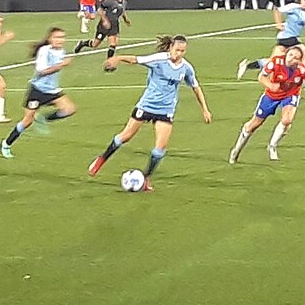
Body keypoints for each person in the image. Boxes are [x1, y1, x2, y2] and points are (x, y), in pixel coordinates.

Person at [88, 35, 212, 191]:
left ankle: (146, 178)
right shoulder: (159, 59)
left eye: (182, 51)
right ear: (170, 48)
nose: (179, 54)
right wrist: (118, 58)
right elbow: (136, 59)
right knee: (124, 137)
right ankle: (101, 160)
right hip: (146, 106)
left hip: (166, 110)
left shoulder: (186, 68)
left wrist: (205, 109)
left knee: (159, 150)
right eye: (177, 50)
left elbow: (196, 87)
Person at [228, 46, 305, 164]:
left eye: (296, 58)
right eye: (290, 55)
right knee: (253, 125)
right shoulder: (276, 62)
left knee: (287, 120)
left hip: (290, 95)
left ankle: (272, 146)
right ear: (286, 54)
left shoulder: (302, 70)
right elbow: (261, 76)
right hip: (271, 96)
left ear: (299, 61)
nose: (291, 59)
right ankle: (236, 151)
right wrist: (270, 86)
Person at [0, 27, 76, 159]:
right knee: (27, 121)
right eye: (57, 37)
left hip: (52, 90)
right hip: (37, 90)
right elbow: (42, 71)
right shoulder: (44, 51)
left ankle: (43, 119)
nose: (60, 40)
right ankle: (6, 144)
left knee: (70, 109)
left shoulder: (62, 52)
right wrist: (61, 65)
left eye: (62, 37)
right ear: (50, 39)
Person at [235, 0, 305, 90]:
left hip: (289, 38)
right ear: (300, 1)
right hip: (288, 37)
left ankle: (248, 65)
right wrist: (278, 24)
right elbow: (277, 10)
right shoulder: (294, 7)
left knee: (274, 61)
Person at [74, 0, 131, 65]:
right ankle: (82, 43)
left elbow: (122, 11)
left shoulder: (124, 2)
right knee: (95, 44)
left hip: (114, 25)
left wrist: (126, 20)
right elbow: (100, 9)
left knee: (113, 43)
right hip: (104, 25)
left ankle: (109, 62)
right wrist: (105, 20)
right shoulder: (110, 0)